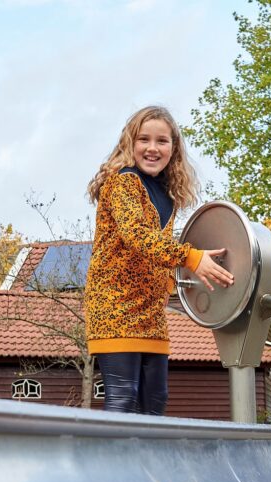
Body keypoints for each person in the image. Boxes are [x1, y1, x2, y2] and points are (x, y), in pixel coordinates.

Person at [84, 106, 233, 414]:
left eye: (162, 141)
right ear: (130, 144)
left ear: (173, 148)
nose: (152, 148)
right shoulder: (123, 183)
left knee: (155, 400)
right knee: (124, 397)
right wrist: (190, 257)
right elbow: (138, 236)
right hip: (115, 306)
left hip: (150, 312)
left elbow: (156, 251)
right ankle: (114, 462)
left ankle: (144, 463)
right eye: (144, 140)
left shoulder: (166, 192)